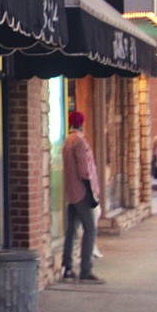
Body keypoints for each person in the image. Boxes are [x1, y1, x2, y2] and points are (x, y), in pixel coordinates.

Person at [61, 110, 102, 281]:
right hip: (82, 192)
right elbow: (85, 170)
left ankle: (68, 267)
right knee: (90, 230)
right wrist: (91, 193)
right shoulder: (79, 141)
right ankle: (86, 269)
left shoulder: (67, 141)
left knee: (71, 231)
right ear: (82, 123)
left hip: (71, 193)